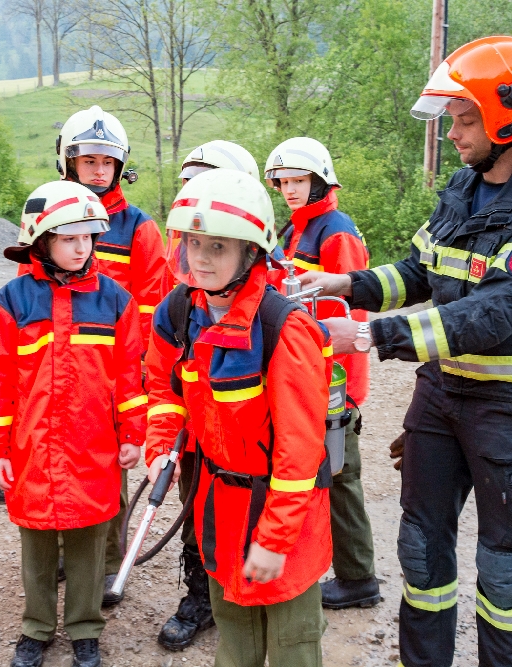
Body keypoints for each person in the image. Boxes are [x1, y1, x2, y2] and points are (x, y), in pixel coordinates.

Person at [300, 36, 512, 667]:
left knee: (504, 568)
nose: (454, 133)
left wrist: (371, 335)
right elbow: (421, 269)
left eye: (466, 119)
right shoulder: (463, 187)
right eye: (454, 119)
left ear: (509, 119)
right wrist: (345, 284)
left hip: (511, 412)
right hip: (440, 400)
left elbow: (496, 311)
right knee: (420, 550)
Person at [145, 169, 333, 667]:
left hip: (283, 517)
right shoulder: (179, 313)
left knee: (293, 648)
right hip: (219, 511)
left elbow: (299, 454)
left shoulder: (283, 330)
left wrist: (274, 540)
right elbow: (164, 391)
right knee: (234, 643)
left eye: (218, 246)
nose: (200, 258)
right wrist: (160, 447)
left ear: (252, 252)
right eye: (194, 243)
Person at [0, 181, 146, 667]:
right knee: (38, 542)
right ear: (41, 240)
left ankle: (85, 629)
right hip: (32, 447)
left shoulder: (116, 301)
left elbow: (130, 376)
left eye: (87, 237)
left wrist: (133, 434)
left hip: (95, 447)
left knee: (91, 540)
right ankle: (36, 627)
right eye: (69, 238)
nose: (81, 248)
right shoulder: (11, 301)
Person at [153, 139, 260, 651]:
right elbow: (162, 374)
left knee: (250, 520)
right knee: (197, 516)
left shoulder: (266, 299)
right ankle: (202, 597)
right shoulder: (180, 297)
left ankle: (253, 596)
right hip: (193, 437)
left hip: (248, 446)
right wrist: (162, 441)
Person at [265, 136, 379, 609]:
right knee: (317, 473)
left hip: (333, 379)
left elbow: (351, 314)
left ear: (319, 181)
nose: (290, 189)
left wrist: (340, 390)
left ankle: (358, 578)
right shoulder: (299, 229)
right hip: (307, 371)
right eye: (283, 182)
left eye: (299, 180)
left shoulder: (336, 233)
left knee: (341, 475)